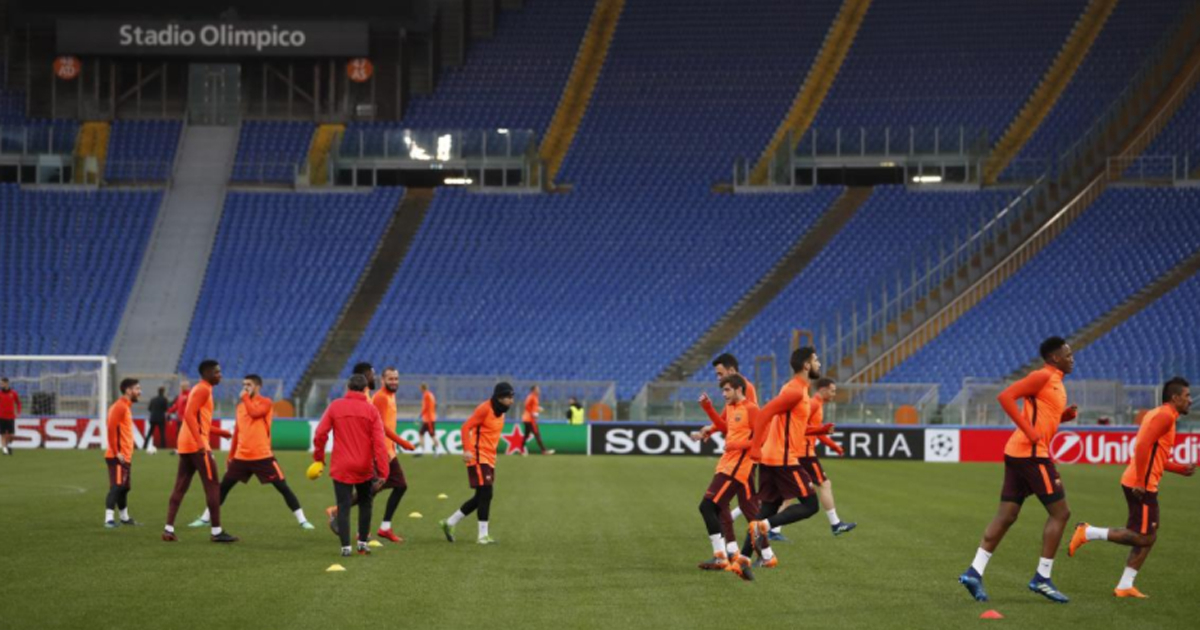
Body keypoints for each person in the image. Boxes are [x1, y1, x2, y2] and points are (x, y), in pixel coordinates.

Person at [959, 337, 1078, 604]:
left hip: (1018, 453)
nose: (1072, 358)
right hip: (1032, 455)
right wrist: (1030, 431)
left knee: (1007, 514)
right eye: (1068, 354)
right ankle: (1042, 578)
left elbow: (1041, 413)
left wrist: (1062, 417)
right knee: (1061, 513)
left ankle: (974, 572)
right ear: (1055, 358)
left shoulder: (1057, 382)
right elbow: (1006, 396)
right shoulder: (1042, 376)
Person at [1068, 377, 1195, 598]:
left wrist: (1179, 469)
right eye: (1187, 396)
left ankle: (1125, 585)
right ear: (1175, 398)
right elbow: (1143, 445)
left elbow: (1156, 455)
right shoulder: (1164, 416)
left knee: (1149, 534)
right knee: (1144, 537)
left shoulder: (1163, 415)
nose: (1190, 401)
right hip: (1142, 484)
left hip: (1142, 481)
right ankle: (1088, 532)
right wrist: (1141, 482)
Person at [736, 347, 834, 571]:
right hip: (783, 459)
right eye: (816, 360)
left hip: (773, 458)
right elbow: (764, 414)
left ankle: (742, 560)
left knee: (768, 507)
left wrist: (818, 430)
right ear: (807, 365)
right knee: (810, 505)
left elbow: (791, 428)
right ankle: (764, 528)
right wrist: (754, 448)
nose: (819, 363)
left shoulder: (796, 389)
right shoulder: (796, 392)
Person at [187, 375, 313, 530]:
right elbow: (238, 433)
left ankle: (302, 520)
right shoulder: (240, 407)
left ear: (258, 386)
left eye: (249, 384)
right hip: (241, 457)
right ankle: (205, 518)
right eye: (243, 384)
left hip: (263, 456)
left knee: (283, 487)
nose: (245, 387)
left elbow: (254, 413)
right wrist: (230, 456)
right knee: (223, 488)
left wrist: (245, 398)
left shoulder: (266, 402)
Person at [313, 373, 391, 557]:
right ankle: (362, 544)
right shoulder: (371, 411)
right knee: (365, 503)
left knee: (343, 505)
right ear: (365, 390)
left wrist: (319, 457)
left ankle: (345, 548)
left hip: (341, 465)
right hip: (364, 466)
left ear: (348, 388)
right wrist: (383, 472)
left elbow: (320, 434)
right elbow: (379, 443)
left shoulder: (335, 406)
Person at [163, 360, 237, 543]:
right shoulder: (203, 389)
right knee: (213, 486)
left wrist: (221, 432)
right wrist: (200, 442)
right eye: (217, 372)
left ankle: (168, 529)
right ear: (208, 373)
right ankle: (216, 532)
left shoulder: (201, 389)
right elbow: (188, 414)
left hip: (187, 444)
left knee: (180, 486)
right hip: (197, 446)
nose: (220, 375)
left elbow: (199, 421)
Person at [694, 374, 759, 581]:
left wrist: (736, 445)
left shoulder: (751, 409)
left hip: (737, 468)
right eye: (722, 391)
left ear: (739, 389)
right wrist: (708, 408)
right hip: (726, 463)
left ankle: (723, 556)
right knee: (719, 508)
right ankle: (734, 556)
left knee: (707, 506)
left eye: (727, 390)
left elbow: (761, 440)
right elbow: (724, 428)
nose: (724, 394)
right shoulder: (731, 408)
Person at [440, 382, 513, 545]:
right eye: (509, 397)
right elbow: (466, 427)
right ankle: (482, 536)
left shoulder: (501, 412)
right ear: (499, 397)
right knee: (487, 493)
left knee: (480, 496)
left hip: (489, 457)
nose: (511, 401)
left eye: (512, 397)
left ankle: (450, 522)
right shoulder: (484, 409)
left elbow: (490, 435)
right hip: (478, 456)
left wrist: (494, 454)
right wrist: (466, 449)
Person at [803, 378, 855, 536]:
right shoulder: (813, 404)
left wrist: (834, 446)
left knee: (788, 493)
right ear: (823, 389)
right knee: (825, 484)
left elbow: (818, 431)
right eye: (832, 390)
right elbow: (798, 427)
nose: (834, 393)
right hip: (804, 452)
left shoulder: (817, 405)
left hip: (801, 452)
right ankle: (835, 524)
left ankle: (771, 528)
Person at [104, 378, 141, 528]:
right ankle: (108, 519)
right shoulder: (119, 406)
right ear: (128, 390)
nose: (140, 392)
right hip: (117, 456)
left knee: (125, 488)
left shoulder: (126, 406)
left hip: (125, 455)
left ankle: (124, 518)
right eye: (137, 389)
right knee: (117, 486)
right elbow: (111, 429)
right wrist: (116, 451)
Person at [521, 385, 554, 455]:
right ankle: (544, 450)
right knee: (537, 434)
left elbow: (532, 406)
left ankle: (521, 450)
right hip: (529, 419)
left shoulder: (534, 397)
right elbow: (527, 406)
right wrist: (534, 413)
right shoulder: (532, 397)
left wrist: (538, 408)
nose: (539, 390)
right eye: (538, 389)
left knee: (527, 435)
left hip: (528, 418)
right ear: (533, 390)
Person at [418, 382, 442, 456]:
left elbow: (426, 407)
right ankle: (422, 450)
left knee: (432, 435)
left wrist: (420, 415)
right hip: (430, 418)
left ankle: (439, 450)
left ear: (422, 388)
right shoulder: (431, 394)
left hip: (428, 419)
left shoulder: (426, 395)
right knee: (421, 433)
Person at [145, 387, 169, 453]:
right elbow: (166, 409)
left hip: (153, 418)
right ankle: (163, 446)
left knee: (150, 433)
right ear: (163, 392)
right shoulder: (164, 399)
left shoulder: (153, 399)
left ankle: (144, 445)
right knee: (162, 433)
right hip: (161, 418)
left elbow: (149, 409)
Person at [0, 377, 20, 455]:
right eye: (0, 383)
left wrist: (18, 411)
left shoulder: (13, 393)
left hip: (11, 417)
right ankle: (5, 450)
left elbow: (18, 403)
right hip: (1, 417)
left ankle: (7, 446)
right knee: (3, 435)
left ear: (6, 383)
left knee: (11, 436)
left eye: (2, 383)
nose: (1, 384)